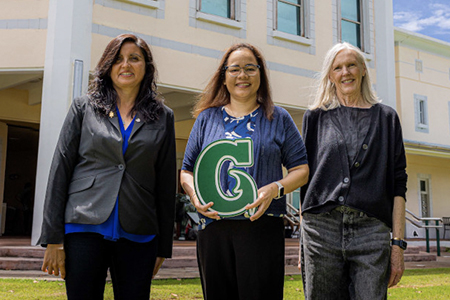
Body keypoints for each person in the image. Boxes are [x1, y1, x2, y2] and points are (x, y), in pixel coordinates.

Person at [38, 33, 176, 300]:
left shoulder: (163, 117)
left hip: (139, 232)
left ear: (146, 66)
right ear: (107, 66)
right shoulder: (83, 107)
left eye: (134, 58)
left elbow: (165, 183)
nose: (125, 65)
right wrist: (53, 239)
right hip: (83, 228)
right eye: (118, 59)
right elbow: (60, 170)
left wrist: (164, 247)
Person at [180, 43, 309, 300]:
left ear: (261, 74)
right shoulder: (206, 119)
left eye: (250, 68)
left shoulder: (278, 118)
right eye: (235, 69)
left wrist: (275, 189)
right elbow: (186, 171)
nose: (243, 75)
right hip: (213, 227)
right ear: (224, 77)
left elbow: (301, 169)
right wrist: (195, 198)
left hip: (261, 226)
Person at [299, 42, 408, 299]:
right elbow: (306, 180)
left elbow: (398, 184)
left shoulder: (387, 118)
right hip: (321, 230)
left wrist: (398, 245)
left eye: (351, 65)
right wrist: (305, 244)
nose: (345, 72)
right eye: (337, 67)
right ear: (330, 75)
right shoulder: (315, 117)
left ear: (363, 70)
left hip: (371, 232)